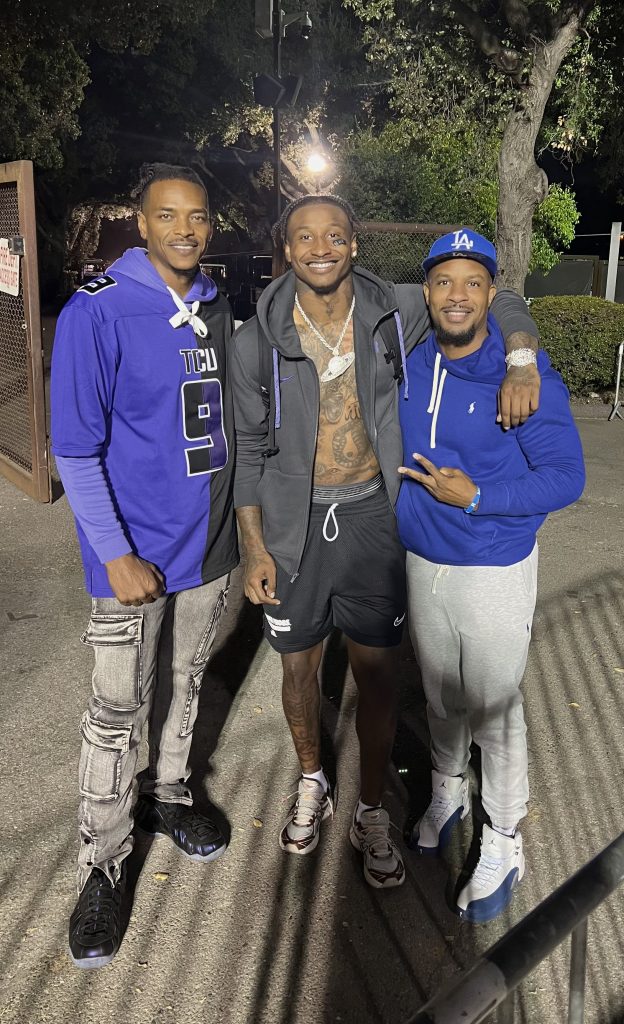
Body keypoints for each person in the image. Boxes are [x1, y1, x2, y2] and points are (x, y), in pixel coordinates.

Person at [229, 195, 542, 889]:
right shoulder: (255, 338)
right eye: (304, 237)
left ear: (354, 245)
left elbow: (503, 294)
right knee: (297, 671)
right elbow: (246, 450)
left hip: (373, 515)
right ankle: (312, 779)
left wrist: (521, 359)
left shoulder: (393, 308)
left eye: (334, 235)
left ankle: (371, 809)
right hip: (292, 527)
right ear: (285, 249)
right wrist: (253, 546)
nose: (320, 247)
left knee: (377, 675)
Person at [51, 163, 238, 967]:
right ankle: (103, 862)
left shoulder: (215, 303)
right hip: (132, 558)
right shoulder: (97, 311)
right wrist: (116, 552)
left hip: (209, 548)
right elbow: (75, 448)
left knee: (188, 681)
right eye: (169, 216)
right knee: (114, 710)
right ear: (142, 220)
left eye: (197, 216)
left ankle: (166, 794)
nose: (186, 229)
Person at [397, 229, 585, 921]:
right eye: (444, 281)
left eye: (472, 283)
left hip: (494, 567)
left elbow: (567, 479)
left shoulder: (522, 382)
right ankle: (448, 789)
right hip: (424, 560)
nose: (456, 295)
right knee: (440, 694)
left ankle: (504, 837)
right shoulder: (412, 361)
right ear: (427, 292)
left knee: (495, 709)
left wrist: (476, 496)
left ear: (488, 295)